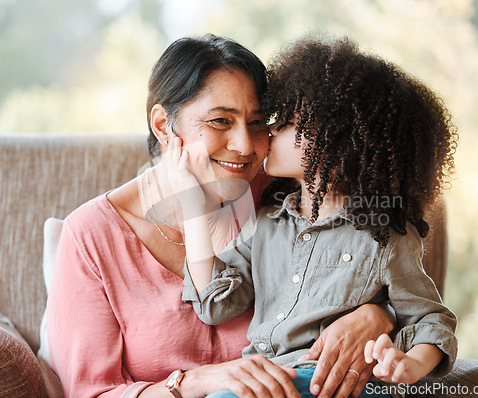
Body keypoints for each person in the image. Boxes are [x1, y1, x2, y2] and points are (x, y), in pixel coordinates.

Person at [46, 34, 396, 398]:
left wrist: (376, 315)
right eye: (220, 121)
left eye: (257, 122)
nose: (245, 146)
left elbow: (389, 266)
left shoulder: (288, 195)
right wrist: (195, 382)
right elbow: (90, 392)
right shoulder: (91, 236)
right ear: (164, 126)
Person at [168, 37, 459, 397]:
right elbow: (214, 305)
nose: (270, 131)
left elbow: (431, 319)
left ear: (340, 145)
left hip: (341, 382)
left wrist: (411, 364)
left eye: (289, 122)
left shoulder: (386, 235)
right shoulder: (265, 224)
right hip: (270, 380)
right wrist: (194, 210)